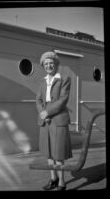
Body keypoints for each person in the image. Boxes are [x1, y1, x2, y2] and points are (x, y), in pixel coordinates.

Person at [36, 51, 72, 191]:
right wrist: (42, 113)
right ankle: (53, 179)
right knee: (48, 153)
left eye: (51, 63)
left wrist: (48, 112)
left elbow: (63, 100)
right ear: (43, 66)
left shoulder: (64, 78)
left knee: (58, 154)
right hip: (45, 121)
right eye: (46, 64)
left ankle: (62, 183)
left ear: (56, 64)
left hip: (58, 120)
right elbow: (38, 100)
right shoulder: (42, 82)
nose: (49, 66)